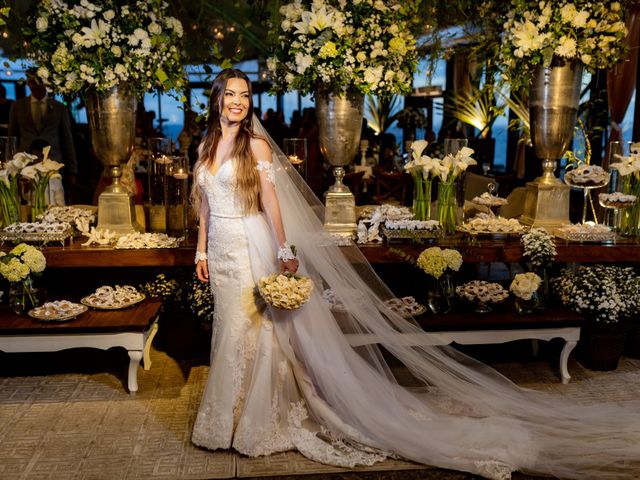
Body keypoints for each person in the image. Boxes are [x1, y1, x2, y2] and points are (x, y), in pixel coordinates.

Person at [191, 69, 640, 479]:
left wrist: (285, 249)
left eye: (244, 95)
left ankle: (256, 419)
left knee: (252, 331)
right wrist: (200, 251)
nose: (237, 101)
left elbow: (270, 201)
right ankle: (226, 415)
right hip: (221, 249)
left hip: (253, 243)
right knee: (229, 330)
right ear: (216, 100)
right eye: (230, 94)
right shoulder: (207, 146)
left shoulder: (257, 145)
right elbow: (205, 202)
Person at [8, 71, 77, 202]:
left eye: (40, 82)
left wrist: (72, 170)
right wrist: (11, 166)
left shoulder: (59, 108)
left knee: (54, 201)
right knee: (27, 202)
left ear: (46, 83)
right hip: (25, 165)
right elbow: (12, 136)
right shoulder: (17, 106)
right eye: (33, 82)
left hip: (53, 164)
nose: (36, 86)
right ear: (29, 83)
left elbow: (67, 140)